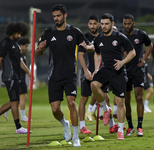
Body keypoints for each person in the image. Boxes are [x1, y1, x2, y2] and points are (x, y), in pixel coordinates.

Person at [35, 4, 94, 147]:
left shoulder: (74, 32)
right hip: (54, 75)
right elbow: (38, 52)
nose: (56, 18)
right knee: (55, 109)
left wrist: (88, 47)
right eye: (54, 16)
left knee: (71, 103)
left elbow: (91, 47)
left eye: (58, 16)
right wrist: (40, 48)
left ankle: (75, 137)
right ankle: (65, 124)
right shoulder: (48, 32)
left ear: (65, 15)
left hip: (70, 75)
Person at [91, 13, 136, 140]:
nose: (104, 26)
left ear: (112, 24)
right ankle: (106, 109)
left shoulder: (120, 37)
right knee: (93, 85)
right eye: (102, 24)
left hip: (119, 71)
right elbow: (97, 54)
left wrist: (123, 62)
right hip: (105, 70)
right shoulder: (98, 38)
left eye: (106, 24)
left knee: (120, 102)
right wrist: (96, 69)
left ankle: (120, 130)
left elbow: (133, 52)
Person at [0, 21, 31, 134]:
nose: (19, 36)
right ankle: (18, 127)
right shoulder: (5, 42)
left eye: (20, 34)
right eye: (17, 33)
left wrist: (28, 72)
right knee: (14, 101)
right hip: (9, 76)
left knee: (14, 101)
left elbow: (19, 60)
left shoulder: (16, 44)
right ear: (12, 31)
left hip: (16, 76)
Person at [120, 14, 153, 137]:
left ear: (133, 23)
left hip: (138, 71)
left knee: (139, 98)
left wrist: (144, 58)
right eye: (125, 23)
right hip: (125, 71)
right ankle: (130, 127)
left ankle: (140, 127)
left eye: (129, 23)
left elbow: (150, 45)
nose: (127, 26)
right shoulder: (120, 34)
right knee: (126, 100)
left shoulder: (141, 34)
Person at [3, 38, 30, 122]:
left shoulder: (23, 55)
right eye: (26, 46)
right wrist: (29, 73)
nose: (27, 48)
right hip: (18, 78)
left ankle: (6, 110)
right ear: (20, 46)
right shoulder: (17, 55)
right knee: (22, 96)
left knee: (16, 99)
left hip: (21, 77)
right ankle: (22, 116)